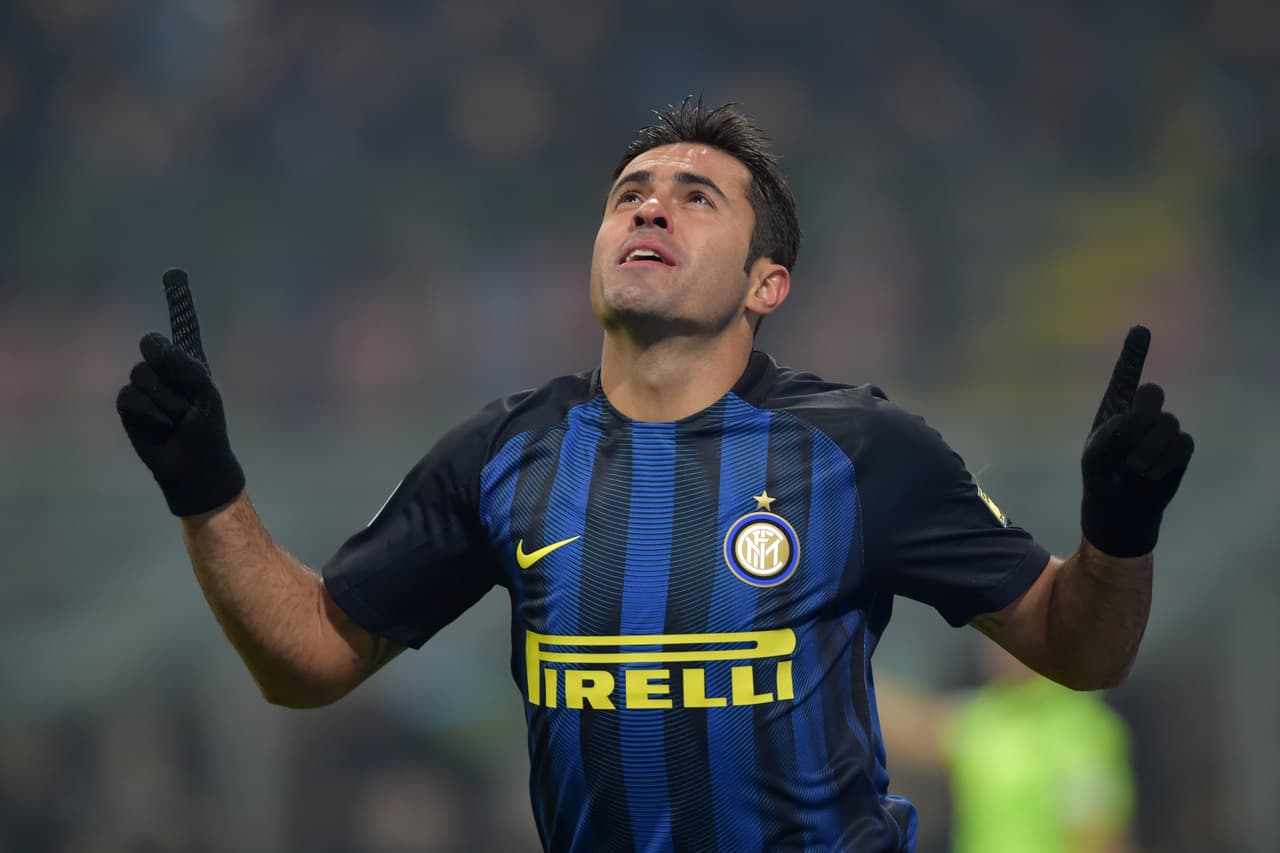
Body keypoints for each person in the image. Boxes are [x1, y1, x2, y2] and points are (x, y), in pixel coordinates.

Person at [115, 99, 1194, 852]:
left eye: (693, 197)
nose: (647, 206)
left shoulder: (864, 451)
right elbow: (305, 658)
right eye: (629, 191)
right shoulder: (501, 454)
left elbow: (1077, 648)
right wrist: (206, 491)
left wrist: (1119, 528)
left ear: (766, 281)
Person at [877, 645, 1138, 853]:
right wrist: (841, 655)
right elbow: (908, 724)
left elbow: (1099, 841)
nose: (993, 645)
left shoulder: (1081, 729)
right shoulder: (989, 715)